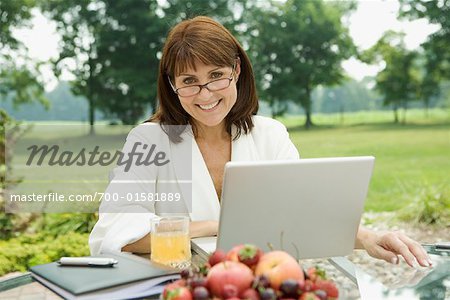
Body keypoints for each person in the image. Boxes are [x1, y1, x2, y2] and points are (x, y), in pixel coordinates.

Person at [89, 16, 432, 268]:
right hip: (180, 286)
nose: (205, 93)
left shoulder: (270, 135)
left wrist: (370, 238)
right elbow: (119, 232)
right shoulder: (148, 141)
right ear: (172, 84)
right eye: (189, 81)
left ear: (236, 71)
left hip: (261, 282)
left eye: (217, 76)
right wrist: (218, 226)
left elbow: (305, 213)